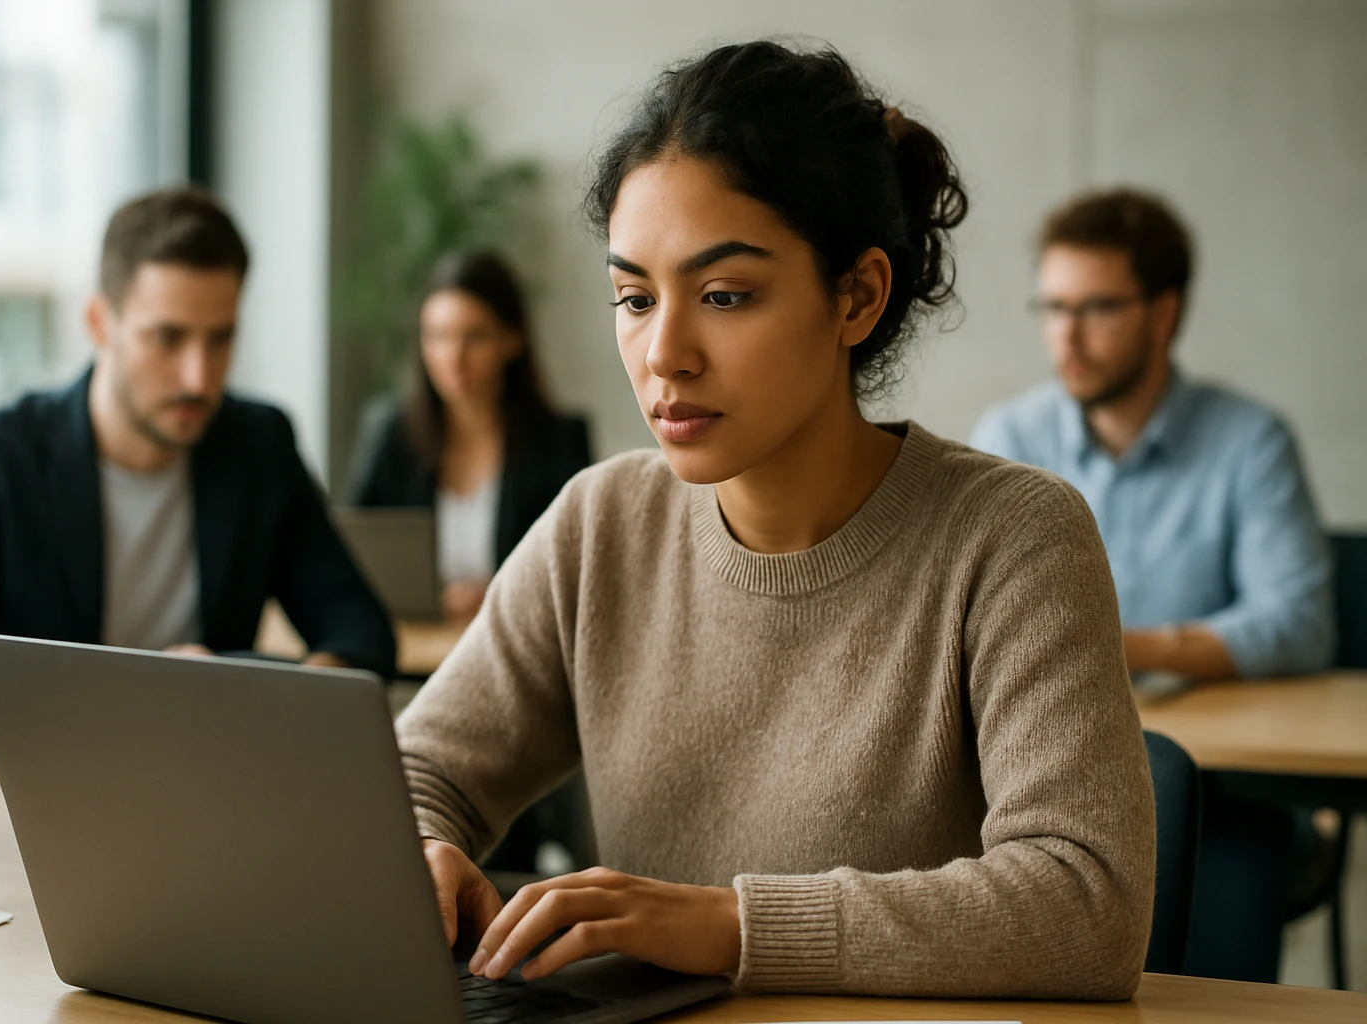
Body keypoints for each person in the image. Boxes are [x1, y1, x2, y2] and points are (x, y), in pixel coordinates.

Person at [394, 42, 1155, 999]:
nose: (663, 354)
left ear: (858, 296)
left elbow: (1088, 906)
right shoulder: (602, 522)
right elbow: (417, 772)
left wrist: (730, 925)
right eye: (634, 297)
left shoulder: (1013, 538)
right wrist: (420, 845)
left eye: (724, 296)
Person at [970, 189, 1336, 983]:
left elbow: (1301, 618)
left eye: (1097, 307)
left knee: (1222, 864)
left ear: (1164, 313)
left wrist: (1125, 646)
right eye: (1053, 306)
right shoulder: (1010, 439)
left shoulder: (1248, 441)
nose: (1066, 336)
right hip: (1038, 783)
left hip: (1224, 791)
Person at [0, 187, 396, 733]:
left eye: (220, 340)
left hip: (204, 777)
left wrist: (311, 689)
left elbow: (361, 630)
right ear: (100, 323)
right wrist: (132, 686)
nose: (199, 376)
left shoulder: (257, 445)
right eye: (167, 338)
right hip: (39, 781)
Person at [350, 250, 590, 624]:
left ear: (512, 341)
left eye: (474, 337)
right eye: (437, 336)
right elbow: (358, 557)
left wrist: (498, 592)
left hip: (517, 636)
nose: (453, 357)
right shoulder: (391, 434)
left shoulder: (559, 441)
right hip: (416, 641)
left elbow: (577, 565)